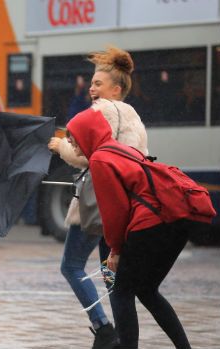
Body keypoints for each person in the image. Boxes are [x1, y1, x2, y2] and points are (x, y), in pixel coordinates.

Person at [66, 107, 193, 349]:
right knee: (145, 289)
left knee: (120, 288)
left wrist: (115, 250)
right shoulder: (119, 149)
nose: (72, 146)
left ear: (86, 134)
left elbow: (115, 213)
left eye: (73, 139)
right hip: (175, 220)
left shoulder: (100, 160)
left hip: (152, 224)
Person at [47, 46, 147, 349]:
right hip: (123, 205)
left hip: (97, 204)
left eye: (98, 84)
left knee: (72, 266)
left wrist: (60, 146)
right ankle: (121, 339)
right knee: (110, 273)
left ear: (116, 89)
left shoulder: (102, 110)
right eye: (91, 83)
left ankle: (104, 329)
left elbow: (87, 157)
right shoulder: (133, 116)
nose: (92, 88)